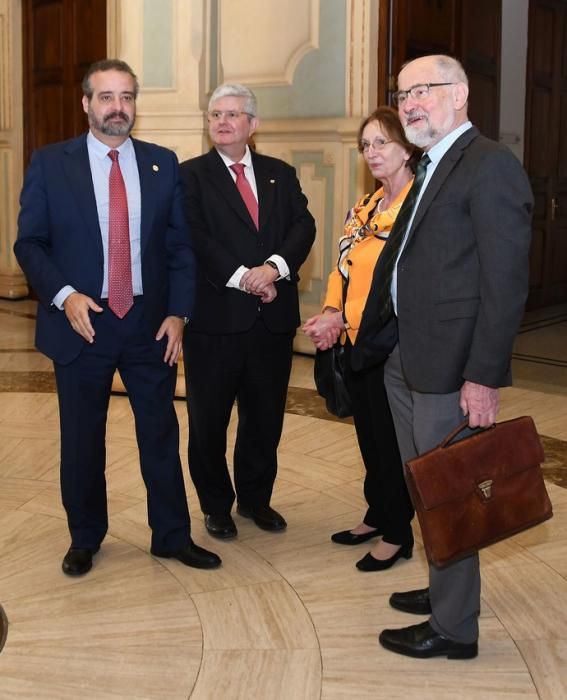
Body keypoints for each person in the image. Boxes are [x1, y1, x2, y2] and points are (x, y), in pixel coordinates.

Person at [352, 55, 533, 658]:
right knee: (428, 487)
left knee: (451, 493)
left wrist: (483, 375)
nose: (409, 104)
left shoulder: (489, 165)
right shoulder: (432, 163)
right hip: (412, 353)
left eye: (421, 91)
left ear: (458, 95)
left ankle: (454, 629)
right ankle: (444, 589)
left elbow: (505, 283)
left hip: (454, 367)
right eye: (402, 95)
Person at [14, 59, 221, 576]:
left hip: (149, 325)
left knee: (160, 433)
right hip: (81, 324)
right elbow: (30, 243)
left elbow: (178, 247)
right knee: (82, 438)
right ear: (86, 103)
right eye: (106, 97)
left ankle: (171, 536)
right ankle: (85, 537)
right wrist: (65, 296)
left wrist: (178, 313)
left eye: (126, 97)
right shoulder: (49, 163)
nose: (117, 108)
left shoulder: (162, 162)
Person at [179, 84, 315, 539]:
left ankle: (256, 500)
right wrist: (244, 277)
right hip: (216, 321)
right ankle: (216, 505)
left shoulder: (280, 172)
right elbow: (196, 236)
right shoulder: (190, 176)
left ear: (252, 125)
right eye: (215, 113)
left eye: (233, 114)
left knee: (264, 417)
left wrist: (274, 269)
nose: (222, 121)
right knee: (209, 421)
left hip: (271, 323)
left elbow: (304, 225)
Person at [303, 107, 416, 571]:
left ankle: (398, 532)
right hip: (355, 342)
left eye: (381, 143)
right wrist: (331, 312)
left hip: (392, 344)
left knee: (390, 441)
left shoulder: (416, 208)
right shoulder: (366, 209)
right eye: (365, 145)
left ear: (407, 148)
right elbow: (342, 268)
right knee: (369, 435)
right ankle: (378, 511)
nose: (371, 153)